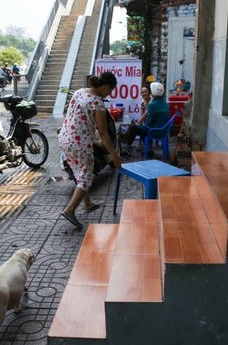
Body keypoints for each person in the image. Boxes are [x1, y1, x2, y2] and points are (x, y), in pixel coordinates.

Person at [58, 72, 123, 229]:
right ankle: (70, 209)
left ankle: (87, 203)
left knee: (80, 172)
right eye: (111, 90)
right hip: (79, 144)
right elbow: (103, 134)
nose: (109, 94)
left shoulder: (80, 91)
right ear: (107, 86)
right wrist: (115, 156)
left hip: (65, 139)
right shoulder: (97, 103)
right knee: (87, 178)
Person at [125, 82, 169, 156]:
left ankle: (126, 149)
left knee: (134, 128)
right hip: (162, 130)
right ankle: (149, 149)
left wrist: (139, 125)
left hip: (155, 131)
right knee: (140, 128)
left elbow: (148, 124)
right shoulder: (164, 103)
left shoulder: (152, 105)